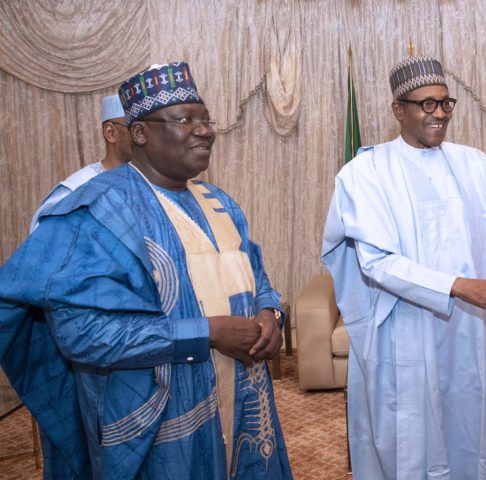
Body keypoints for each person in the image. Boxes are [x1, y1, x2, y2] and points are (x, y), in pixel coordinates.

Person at [0, 62, 292, 479]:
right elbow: (83, 335)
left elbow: (256, 273)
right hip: (159, 428)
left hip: (244, 405)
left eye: (205, 119)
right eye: (185, 119)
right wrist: (208, 332)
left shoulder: (220, 202)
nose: (205, 130)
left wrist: (269, 312)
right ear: (139, 133)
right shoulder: (97, 210)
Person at [321, 55, 486, 479]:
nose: (439, 114)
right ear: (399, 110)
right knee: (413, 434)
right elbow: (376, 262)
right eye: (426, 105)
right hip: (407, 330)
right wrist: (456, 284)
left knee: (471, 417)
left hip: (470, 329)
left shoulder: (474, 163)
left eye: (445, 103)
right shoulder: (365, 172)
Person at [30, 94, 132, 231]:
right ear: (111, 133)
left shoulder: (153, 184)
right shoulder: (76, 190)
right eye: (135, 128)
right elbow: (45, 245)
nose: (144, 135)